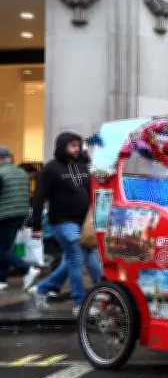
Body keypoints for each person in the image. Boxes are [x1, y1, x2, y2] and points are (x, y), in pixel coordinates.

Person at [29, 132, 102, 315]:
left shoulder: (83, 164)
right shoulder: (50, 169)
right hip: (62, 221)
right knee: (76, 258)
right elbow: (39, 197)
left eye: (78, 145)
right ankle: (80, 304)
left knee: (89, 260)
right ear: (62, 146)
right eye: (72, 146)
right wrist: (36, 226)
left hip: (84, 222)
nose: (76, 149)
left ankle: (42, 289)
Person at [0, 147, 41, 292]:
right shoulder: (21, 172)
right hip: (21, 214)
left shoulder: (1, 172)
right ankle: (2, 280)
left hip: (5, 215)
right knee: (6, 247)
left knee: (2, 249)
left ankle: (27, 269)